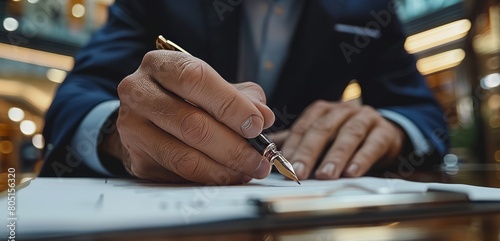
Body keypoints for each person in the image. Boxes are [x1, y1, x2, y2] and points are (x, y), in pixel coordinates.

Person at [40, 0, 448, 184]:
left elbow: (422, 113)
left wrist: (392, 129)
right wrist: (120, 135)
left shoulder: (367, 6)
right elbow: (75, 98)